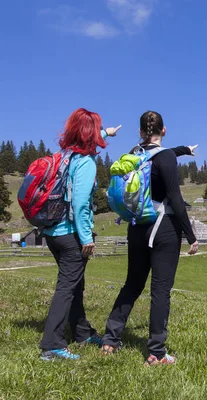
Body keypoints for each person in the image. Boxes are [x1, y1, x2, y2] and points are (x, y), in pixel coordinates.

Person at [102, 110, 199, 366]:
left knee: (132, 285)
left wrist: (184, 150)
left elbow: (161, 156)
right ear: (163, 130)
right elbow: (175, 199)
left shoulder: (134, 155)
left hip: (136, 227)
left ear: (140, 132)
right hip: (163, 227)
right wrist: (191, 235)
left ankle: (110, 340)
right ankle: (156, 352)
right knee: (160, 291)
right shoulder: (165, 157)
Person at [40, 108, 121, 361]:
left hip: (53, 231)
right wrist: (86, 237)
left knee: (75, 284)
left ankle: (82, 332)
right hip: (71, 234)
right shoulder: (85, 162)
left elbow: (90, 133)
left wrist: (106, 131)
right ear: (90, 134)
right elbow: (81, 203)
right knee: (67, 287)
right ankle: (52, 345)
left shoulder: (64, 155)